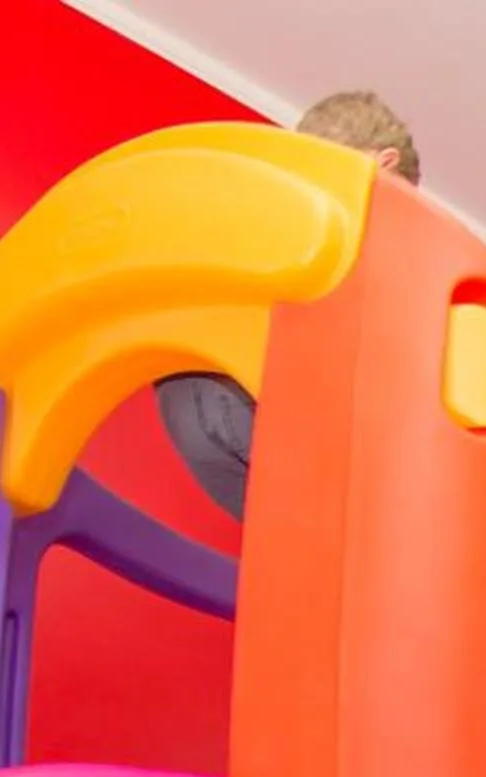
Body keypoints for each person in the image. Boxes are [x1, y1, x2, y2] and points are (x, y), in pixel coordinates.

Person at [155, 91, 423, 518]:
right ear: (385, 163)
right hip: (244, 390)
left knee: (301, 537)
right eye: (398, 199)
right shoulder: (322, 221)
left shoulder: (253, 200)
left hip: (187, 393)